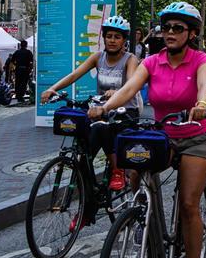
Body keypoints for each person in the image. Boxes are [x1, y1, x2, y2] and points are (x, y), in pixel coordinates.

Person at [88, 1, 206, 258]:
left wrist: (200, 104)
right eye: (166, 27)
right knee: (135, 166)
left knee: (187, 203)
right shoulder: (152, 62)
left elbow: (204, 86)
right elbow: (129, 89)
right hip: (162, 136)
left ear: (192, 33)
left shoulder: (201, 60)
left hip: (196, 137)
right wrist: (106, 107)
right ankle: (144, 216)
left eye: (177, 28)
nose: (169, 33)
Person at [41, 14, 142, 195]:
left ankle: (118, 170)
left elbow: (131, 85)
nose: (112, 40)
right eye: (109, 36)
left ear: (124, 40)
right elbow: (74, 75)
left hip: (125, 112)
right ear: (103, 38)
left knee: (101, 129)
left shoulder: (130, 59)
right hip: (102, 111)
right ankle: (87, 199)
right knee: (84, 146)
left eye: (117, 37)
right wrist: (52, 88)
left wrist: (116, 92)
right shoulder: (97, 57)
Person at [11, 39, 34, 104]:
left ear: (20, 45)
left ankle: (18, 95)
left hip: (18, 69)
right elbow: (31, 61)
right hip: (25, 69)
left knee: (18, 82)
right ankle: (21, 95)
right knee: (24, 83)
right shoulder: (28, 52)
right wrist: (30, 68)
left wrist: (17, 65)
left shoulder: (17, 52)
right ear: (26, 45)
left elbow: (12, 61)